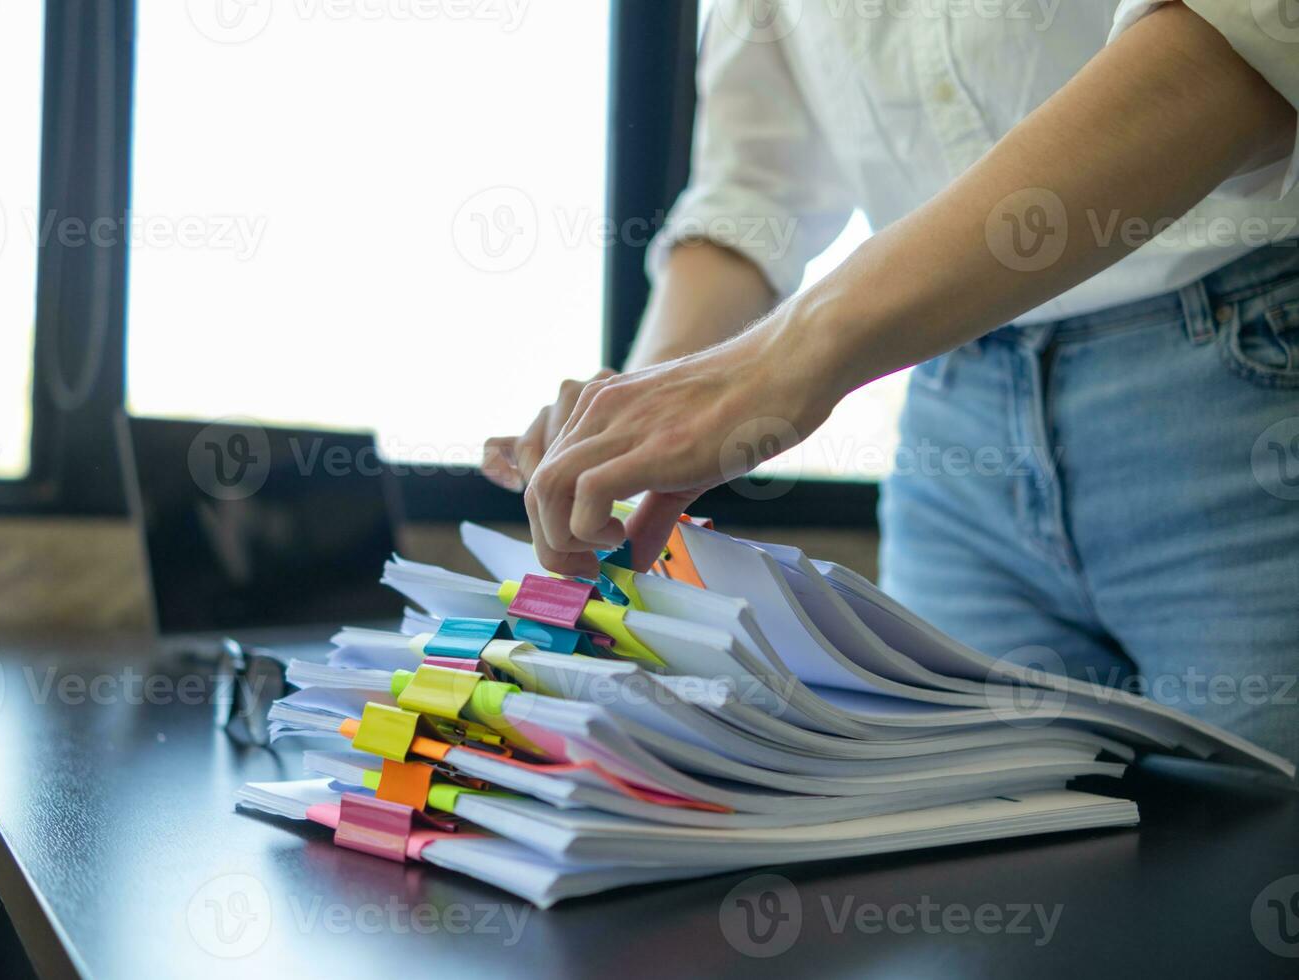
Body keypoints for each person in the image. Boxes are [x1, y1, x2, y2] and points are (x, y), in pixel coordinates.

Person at [481, 1, 1299, 762]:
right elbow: (751, 197)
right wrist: (633, 411)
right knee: (982, 881)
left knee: (1253, 868)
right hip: (957, 437)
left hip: (1245, 388)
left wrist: (790, 356)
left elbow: (1245, 42)